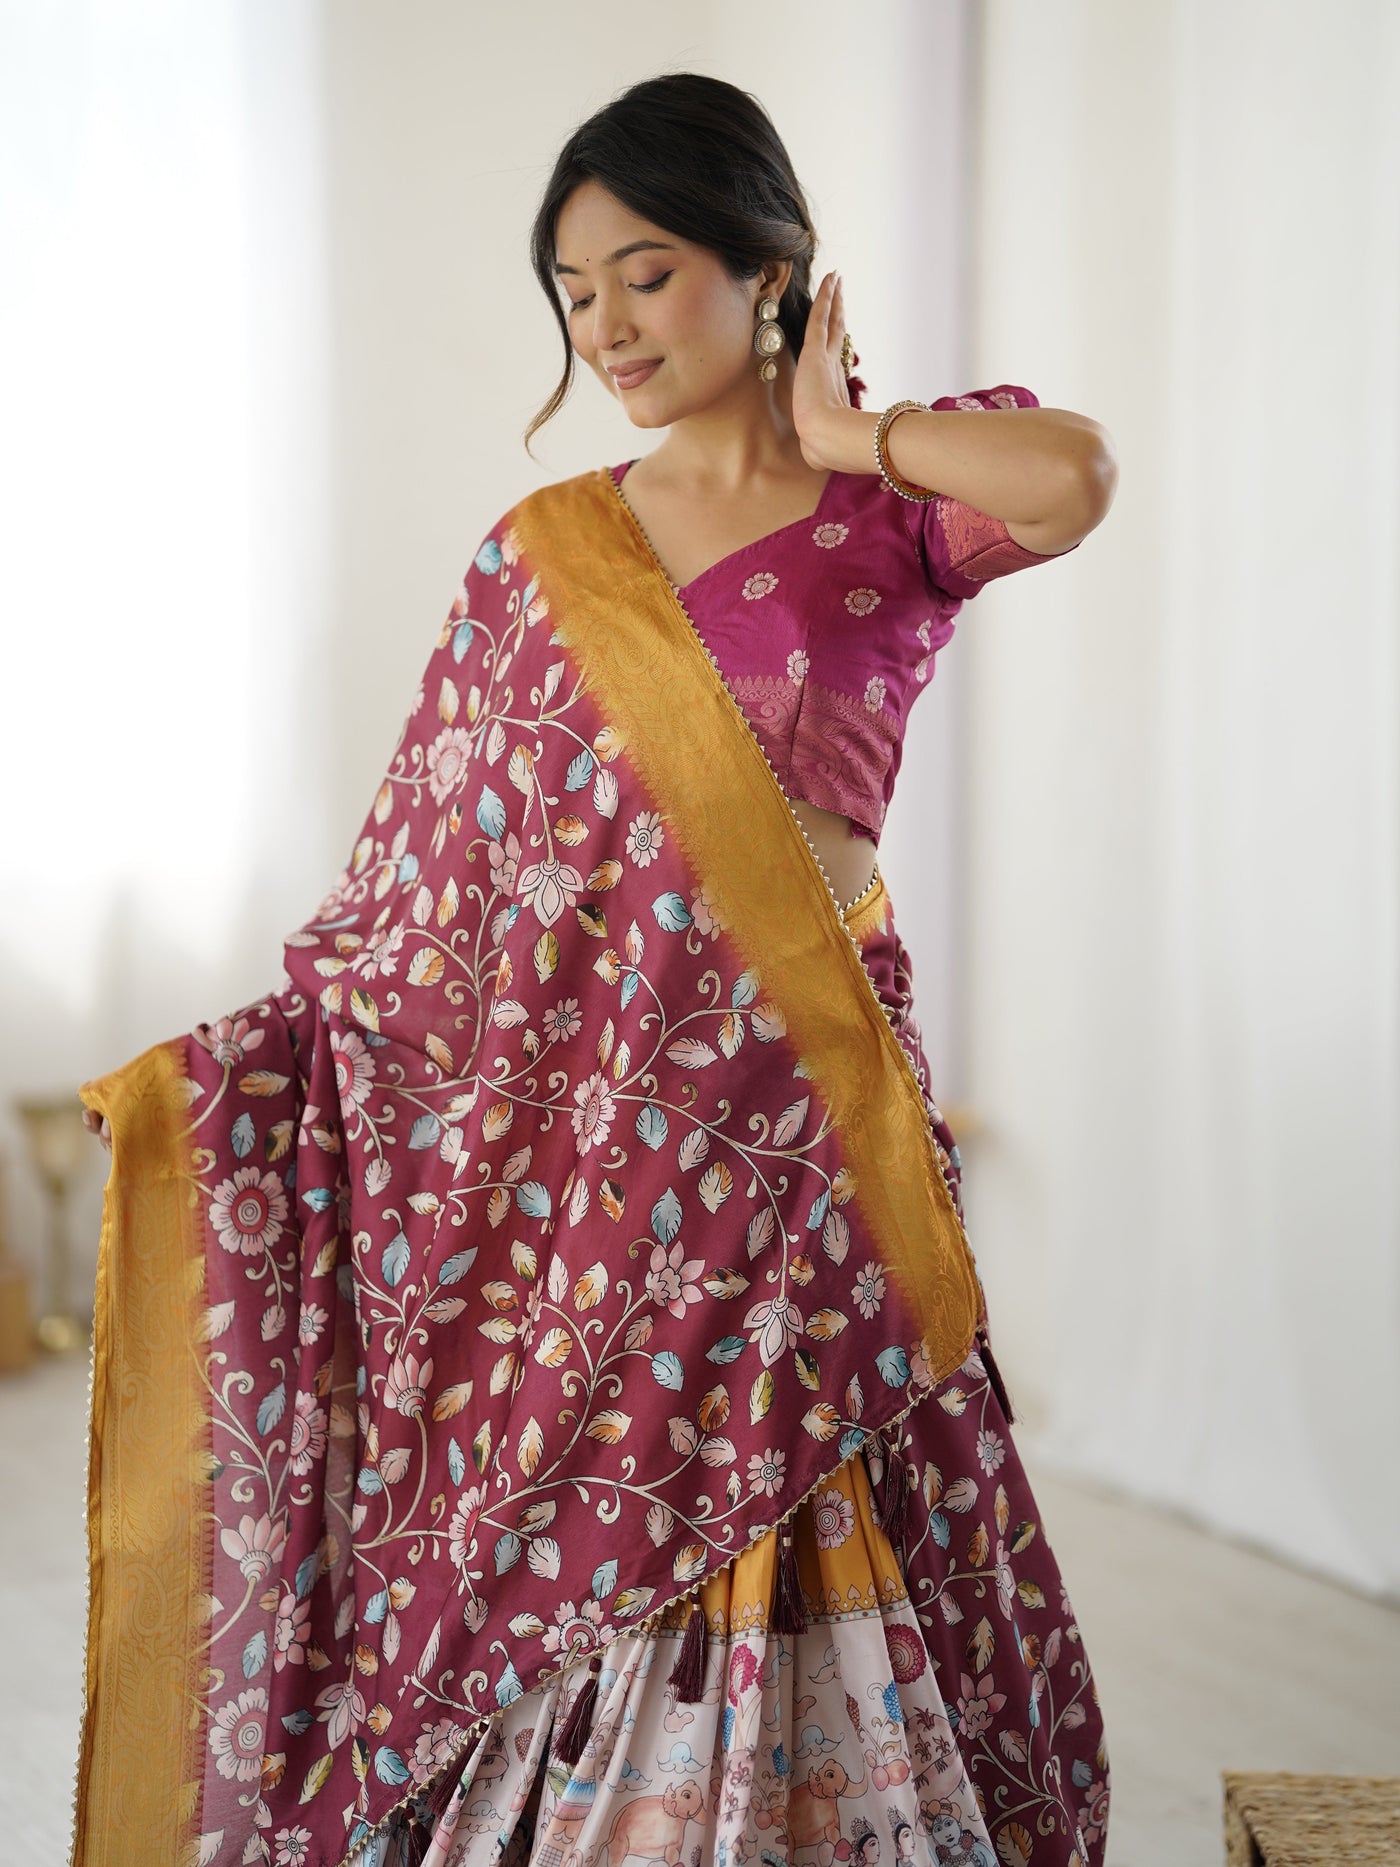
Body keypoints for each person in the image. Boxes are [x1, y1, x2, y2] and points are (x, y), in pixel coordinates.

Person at [75, 72, 1116, 1867]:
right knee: (598, 1494)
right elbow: (425, 896)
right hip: (600, 1145)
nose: (608, 325)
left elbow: (1076, 479)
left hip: (806, 1118)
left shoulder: (899, 504)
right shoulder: (544, 561)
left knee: (826, 1446)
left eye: (647, 273)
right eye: (576, 291)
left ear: (767, 267)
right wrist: (250, 1078)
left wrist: (850, 433)